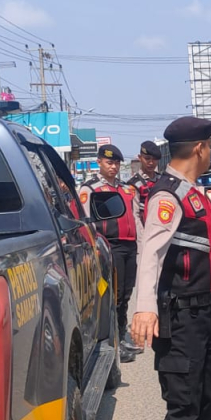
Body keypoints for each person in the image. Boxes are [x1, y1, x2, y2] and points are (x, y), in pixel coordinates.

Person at [131, 116, 211, 420]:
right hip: (181, 314)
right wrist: (144, 307)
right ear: (200, 149)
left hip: (205, 309)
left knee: (210, 387)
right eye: (210, 147)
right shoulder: (167, 196)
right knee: (184, 398)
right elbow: (150, 254)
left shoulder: (192, 191)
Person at [79, 145, 143, 362]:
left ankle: (121, 336)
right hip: (109, 246)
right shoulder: (91, 189)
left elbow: (135, 218)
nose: (113, 167)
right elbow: (86, 223)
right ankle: (113, 342)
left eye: (116, 163)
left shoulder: (126, 189)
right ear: (99, 162)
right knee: (113, 295)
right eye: (109, 162)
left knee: (125, 294)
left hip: (129, 246)